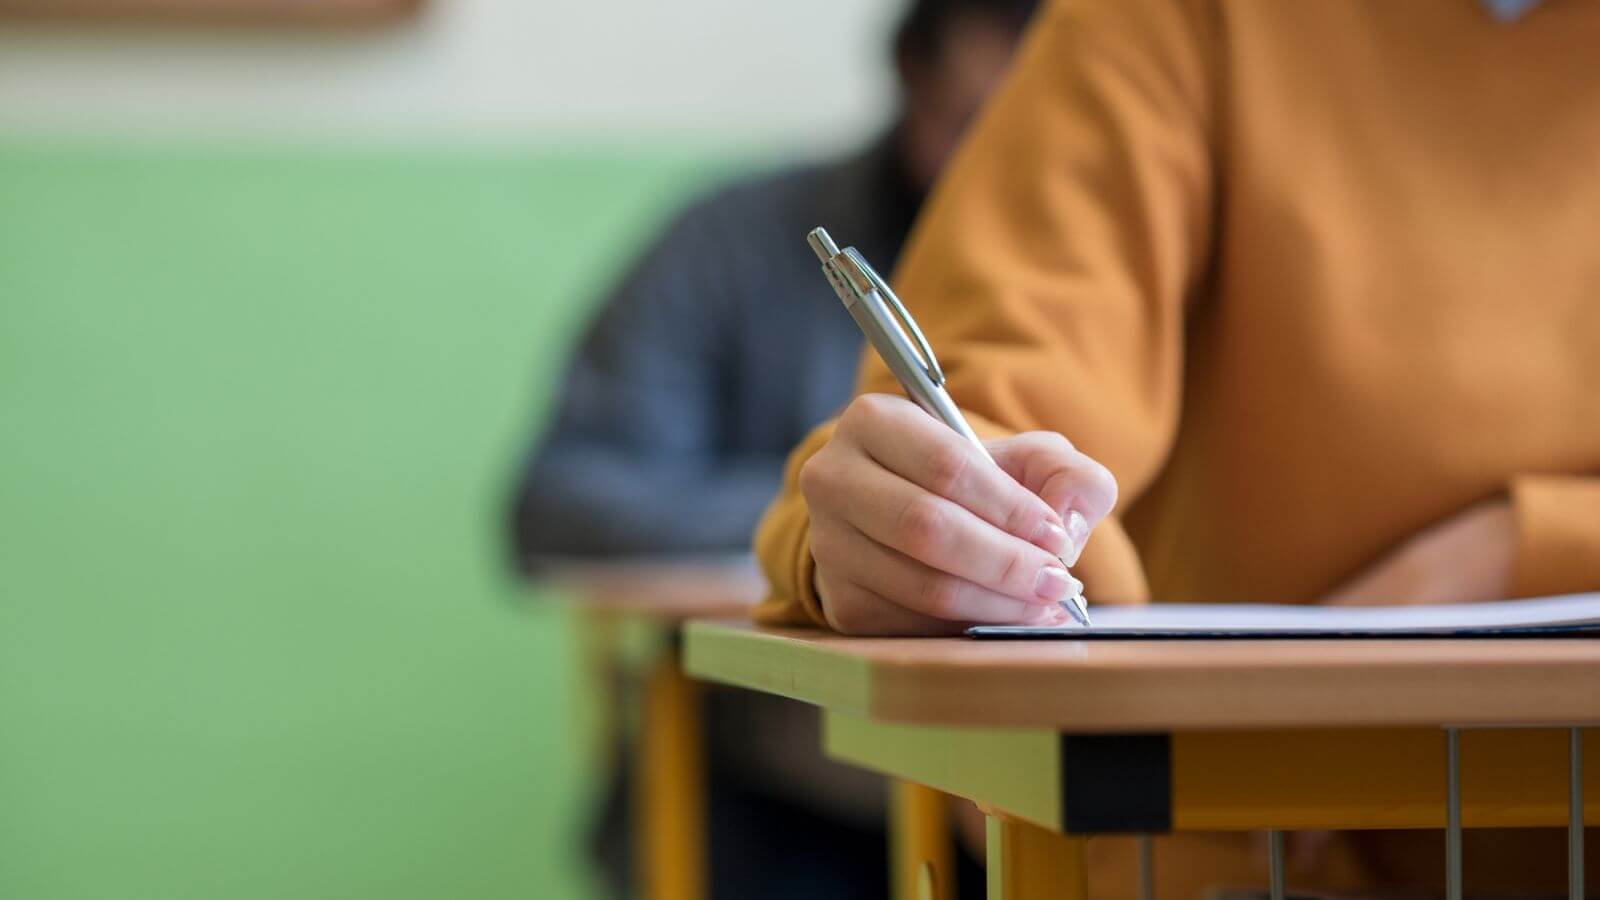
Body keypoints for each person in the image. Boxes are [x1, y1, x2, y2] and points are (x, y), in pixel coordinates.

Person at [755, 0, 1600, 895]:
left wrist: (1512, 554)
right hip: (1222, 848)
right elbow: (997, 396)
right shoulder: (1170, 23)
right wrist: (924, 517)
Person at [508, 2, 1038, 897]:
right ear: (914, 81)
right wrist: (827, 513)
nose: (1010, 173)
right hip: (786, 802)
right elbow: (564, 500)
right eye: (973, 127)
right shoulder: (732, 241)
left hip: (1041, 799)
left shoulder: (1138, 256)